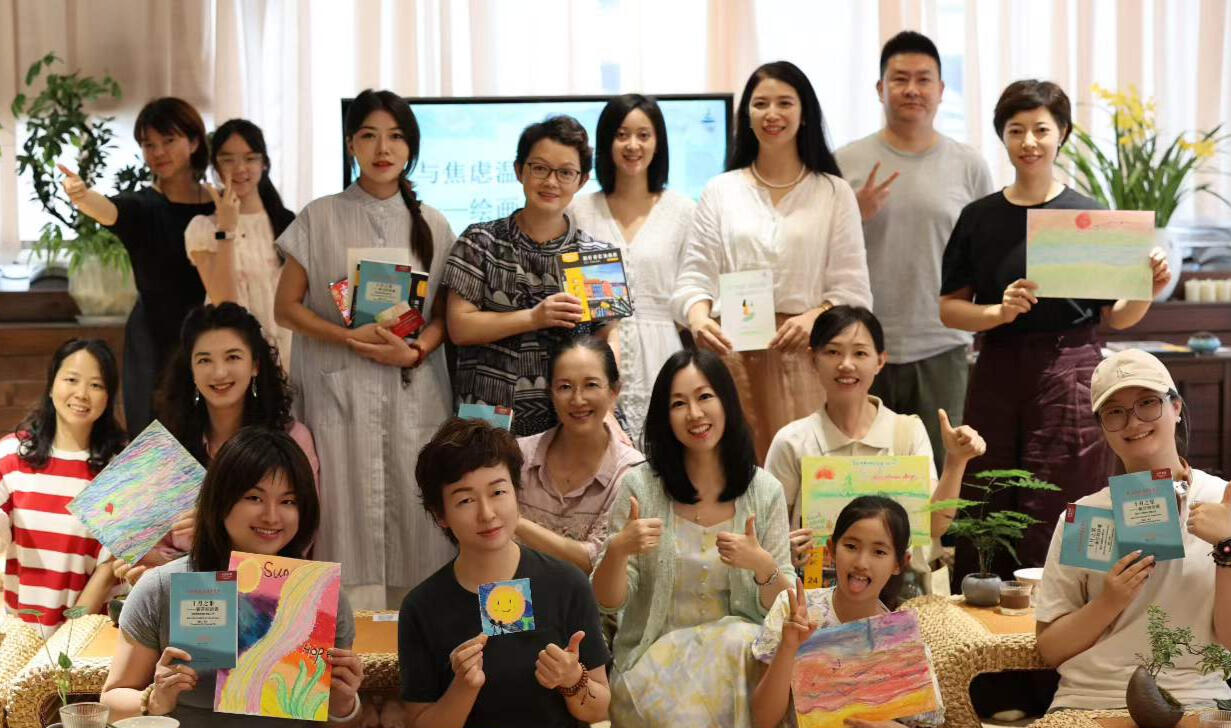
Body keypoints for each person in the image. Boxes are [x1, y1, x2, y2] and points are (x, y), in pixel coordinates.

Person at [939, 80, 1172, 576]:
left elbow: (1117, 316)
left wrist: (1147, 288)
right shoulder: (979, 217)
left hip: (1072, 368)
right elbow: (950, 309)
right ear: (1002, 136)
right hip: (998, 366)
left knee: (1068, 488)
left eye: (1041, 130)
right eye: (1016, 130)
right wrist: (997, 313)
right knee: (988, 484)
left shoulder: (1090, 215)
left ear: (1061, 133)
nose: (1029, 142)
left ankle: (1073, 599)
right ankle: (981, 603)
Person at [274, 89, 455, 609]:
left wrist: (415, 352)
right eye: (369, 135)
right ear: (351, 143)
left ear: (411, 147)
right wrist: (347, 337)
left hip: (413, 389)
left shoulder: (434, 224)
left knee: (416, 511)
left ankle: (416, 632)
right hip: (337, 391)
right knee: (341, 509)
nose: (383, 148)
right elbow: (285, 308)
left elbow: (445, 316)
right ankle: (341, 635)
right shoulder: (320, 217)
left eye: (396, 137)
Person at [672, 60, 872, 462]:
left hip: (808, 355)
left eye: (785, 103)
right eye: (760, 103)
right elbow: (693, 279)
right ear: (747, 115)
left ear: (804, 113)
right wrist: (699, 319)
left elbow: (854, 292)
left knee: (809, 471)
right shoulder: (720, 190)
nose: (772, 114)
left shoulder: (833, 192)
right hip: (732, 354)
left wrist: (813, 318)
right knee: (736, 470)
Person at [100, 427, 364, 726]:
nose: (271, 516)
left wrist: (344, 703)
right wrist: (154, 699)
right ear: (220, 499)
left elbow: (342, 720)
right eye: (254, 497)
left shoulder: (321, 595)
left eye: (288, 501)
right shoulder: (161, 588)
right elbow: (111, 701)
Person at [591, 348, 793, 727]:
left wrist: (762, 565)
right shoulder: (640, 487)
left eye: (704, 397)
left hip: (740, 668)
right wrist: (618, 551)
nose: (695, 414)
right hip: (654, 669)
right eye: (679, 403)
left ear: (726, 402)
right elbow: (607, 601)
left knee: (739, 640)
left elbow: (787, 608)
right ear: (664, 416)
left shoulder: (765, 491)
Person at [1035, 349, 1231, 710]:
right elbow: (1051, 650)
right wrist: (1109, 601)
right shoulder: (1085, 517)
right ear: (1102, 427)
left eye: (1147, 402)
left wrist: (1228, 547)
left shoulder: (1224, 502)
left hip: (1197, 700)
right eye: (1115, 412)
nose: (1133, 421)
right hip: (1090, 700)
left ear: (1176, 407)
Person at [834, 31, 993, 471]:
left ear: (941, 90)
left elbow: (986, 255)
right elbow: (821, 249)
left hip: (942, 344)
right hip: (860, 346)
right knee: (861, 474)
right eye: (900, 79)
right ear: (879, 88)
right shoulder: (844, 162)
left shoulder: (968, 165)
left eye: (924, 80)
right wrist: (854, 212)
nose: (912, 89)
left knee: (941, 472)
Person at [397, 417, 611, 728]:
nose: (487, 514)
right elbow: (419, 723)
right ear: (441, 515)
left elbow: (599, 710)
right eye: (465, 500)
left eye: (498, 492)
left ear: (516, 492)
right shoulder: (421, 607)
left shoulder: (568, 584)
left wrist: (572, 679)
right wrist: (463, 688)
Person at [763, 306, 985, 590]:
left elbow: (933, 526)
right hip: (819, 595)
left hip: (904, 596)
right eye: (832, 352)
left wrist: (955, 462)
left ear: (880, 361)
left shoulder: (907, 432)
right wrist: (786, 550)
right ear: (812, 359)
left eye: (860, 353)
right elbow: (769, 537)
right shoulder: (792, 441)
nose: (846, 364)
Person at [444, 115, 615, 437]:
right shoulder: (479, 242)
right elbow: (460, 327)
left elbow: (607, 339)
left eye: (565, 172)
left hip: (568, 421)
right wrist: (534, 318)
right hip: (487, 418)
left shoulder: (594, 256)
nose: (551, 182)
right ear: (519, 170)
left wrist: (606, 401)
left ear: (582, 181)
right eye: (540, 168)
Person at [60, 97, 215, 438]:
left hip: (208, 334)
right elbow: (107, 210)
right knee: (152, 438)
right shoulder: (141, 206)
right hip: (152, 338)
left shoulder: (220, 204)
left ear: (193, 142)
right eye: (148, 144)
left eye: (168, 140)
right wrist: (82, 197)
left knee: (208, 434)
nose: (158, 152)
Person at [750, 496, 944, 728]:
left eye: (879, 552)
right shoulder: (792, 610)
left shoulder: (903, 642)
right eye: (851, 546)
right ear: (832, 549)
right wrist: (788, 647)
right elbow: (763, 721)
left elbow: (927, 723)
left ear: (899, 563)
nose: (861, 562)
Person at [569, 94, 695, 442]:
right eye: (621, 135)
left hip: (662, 349)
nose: (632, 145)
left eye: (644, 135)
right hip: (594, 351)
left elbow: (694, 287)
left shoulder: (683, 211)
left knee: (663, 450)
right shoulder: (579, 210)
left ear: (658, 142)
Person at [0, 339, 124, 626]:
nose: (82, 394)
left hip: (89, 635)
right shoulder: (11, 455)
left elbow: (108, 572)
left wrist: (69, 637)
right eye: (71, 379)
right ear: (51, 384)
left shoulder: (120, 468)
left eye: (96, 385)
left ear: (109, 396)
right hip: (22, 635)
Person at [514, 337, 644, 574]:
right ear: (550, 393)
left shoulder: (632, 471)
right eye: (565, 387)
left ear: (614, 391)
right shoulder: (518, 456)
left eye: (591, 385)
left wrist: (515, 523)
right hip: (513, 595)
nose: (578, 400)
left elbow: (600, 560)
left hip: (592, 598)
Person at [184, 119, 296, 371]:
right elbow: (225, 306)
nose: (240, 168)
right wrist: (226, 229)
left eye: (250, 158)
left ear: (264, 163)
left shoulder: (288, 223)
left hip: (291, 354)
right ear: (216, 166)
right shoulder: (202, 229)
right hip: (234, 360)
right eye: (228, 159)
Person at [156, 302, 317, 472]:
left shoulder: (292, 440)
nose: (219, 373)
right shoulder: (167, 447)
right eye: (205, 360)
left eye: (232, 357)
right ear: (191, 370)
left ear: (255, 365)